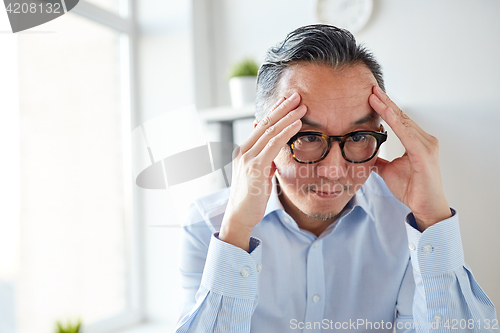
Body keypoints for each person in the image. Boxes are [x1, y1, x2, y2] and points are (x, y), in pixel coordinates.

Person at [175, 24, 498, 332]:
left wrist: (432, 220)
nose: (333, 171)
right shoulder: (209, 223)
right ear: (262, 139)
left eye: (358, 137)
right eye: (309, 137)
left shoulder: (406, 220)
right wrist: (235, 234)